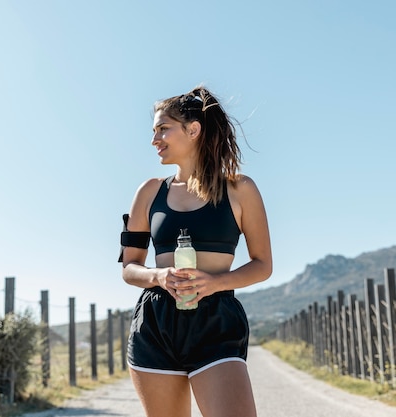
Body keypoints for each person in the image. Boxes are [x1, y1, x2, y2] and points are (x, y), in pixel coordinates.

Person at [119, 85, 272, 417]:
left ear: (193, 129)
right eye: (154, 130)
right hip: (156, 322)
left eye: (163, 128)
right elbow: (129, 268)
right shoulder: (148, 192)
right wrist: (158, 276)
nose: (154, 139)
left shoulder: (240, 189)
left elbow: (262, 265)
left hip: (216, 320)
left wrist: (214, 283)